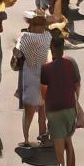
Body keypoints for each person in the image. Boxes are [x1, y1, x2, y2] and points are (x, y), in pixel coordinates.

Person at [41, 32, 81, 166]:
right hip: (70, 107)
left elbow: (44, 90)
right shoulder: (71, 63)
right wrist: (75, 101)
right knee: (68, 141)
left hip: (54, 109)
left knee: (58, 143)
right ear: (63, 48)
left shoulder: (46, 68)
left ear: (52, 49)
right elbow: (77, 84)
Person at [16, 9, 50, 147]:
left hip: (30, 78)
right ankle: (43, 135)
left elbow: (17, 54)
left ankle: (26, 138)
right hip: (44, 77)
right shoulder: (47, 36)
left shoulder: (25, 37)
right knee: (43, 111)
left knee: (28, 112)